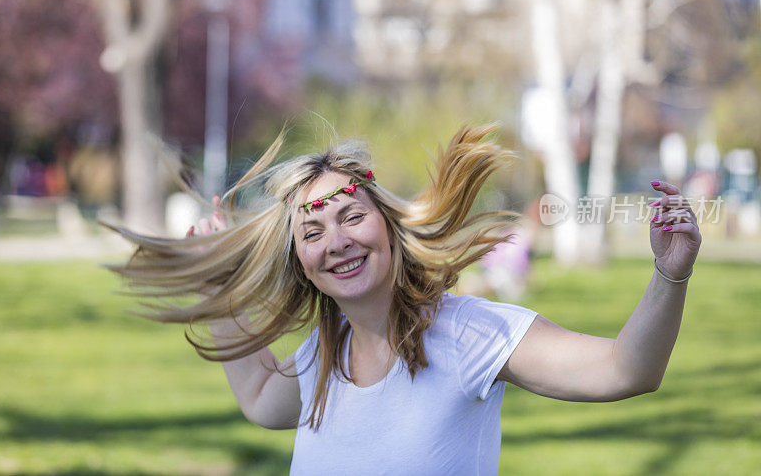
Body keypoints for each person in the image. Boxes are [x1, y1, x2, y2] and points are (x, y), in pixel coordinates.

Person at [105, 124, 701, 474]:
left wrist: (668, 275)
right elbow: (263, 400)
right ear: (303, 265)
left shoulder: (470, 334)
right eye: (311, 233)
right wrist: (218, 285)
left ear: (388, 225)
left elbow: (626, 369)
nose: (335, 242)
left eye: (352, 217)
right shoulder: (320, 355)